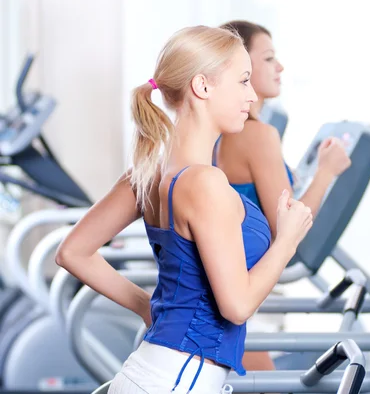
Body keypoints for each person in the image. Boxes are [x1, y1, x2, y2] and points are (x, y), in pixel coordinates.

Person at [56, 25, 313, 394]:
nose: (252, 94)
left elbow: (72, 251)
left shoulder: (149, 171)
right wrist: (286, 241)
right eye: (242, 81)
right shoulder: (204, 183)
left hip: (157, 371)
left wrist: (148, 307)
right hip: (178, 380)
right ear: (202, 87)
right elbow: (237, 307)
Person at [215, 20, 352, 372]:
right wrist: (327, 171)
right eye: (269, 58)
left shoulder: (224, 132)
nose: (280, 67)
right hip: (246, 296)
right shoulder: (257, 135)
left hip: (234, 288)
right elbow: (288, 226)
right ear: (239, 66)